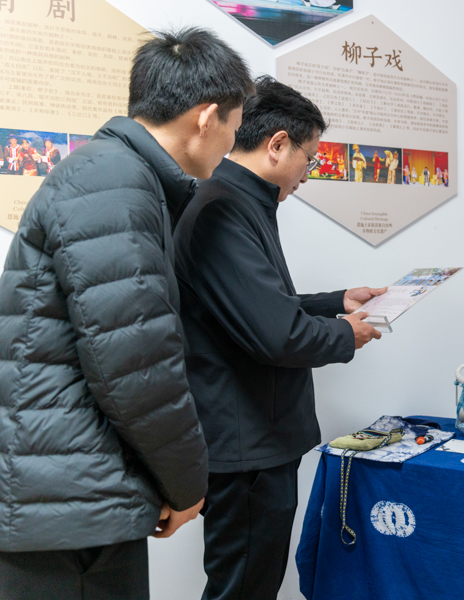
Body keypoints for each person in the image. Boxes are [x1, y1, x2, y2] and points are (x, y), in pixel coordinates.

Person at [0, 28, 254, 600]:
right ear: (206, 118)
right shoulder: (117, 184)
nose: (231, 145)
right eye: (235, 128)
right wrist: (188, 485)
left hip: (63, 491)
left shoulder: (112, 174)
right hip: (66, 505)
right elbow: (137, 366)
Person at [173, 75, 385, 600]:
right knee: (245, 588)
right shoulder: (223, 208)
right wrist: (345, 335)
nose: (307, 174)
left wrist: (336, 301)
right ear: (277, 144)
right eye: (309, 159)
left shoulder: (240, 200)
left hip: (254, 440)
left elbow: (259, 306)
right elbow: (278, 334)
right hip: (246, 446)